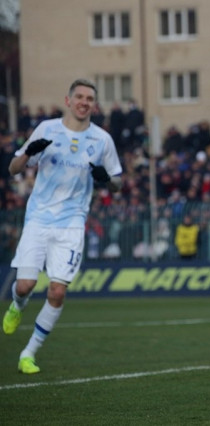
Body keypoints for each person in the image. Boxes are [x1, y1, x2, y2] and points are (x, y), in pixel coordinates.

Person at [2, 79, 123, 374]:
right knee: (25, 285)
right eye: (79, 97)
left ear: (94, 105)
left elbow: (118, 182)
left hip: (71, 223)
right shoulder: (47, 129)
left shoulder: (102, 140)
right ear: (68, 101)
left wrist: (107, 180)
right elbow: (13, 168)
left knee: (57, 292)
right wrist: (28, 153)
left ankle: (28, 354)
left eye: (89, 98)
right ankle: (18, 305)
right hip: (38, 219)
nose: (84, 102)